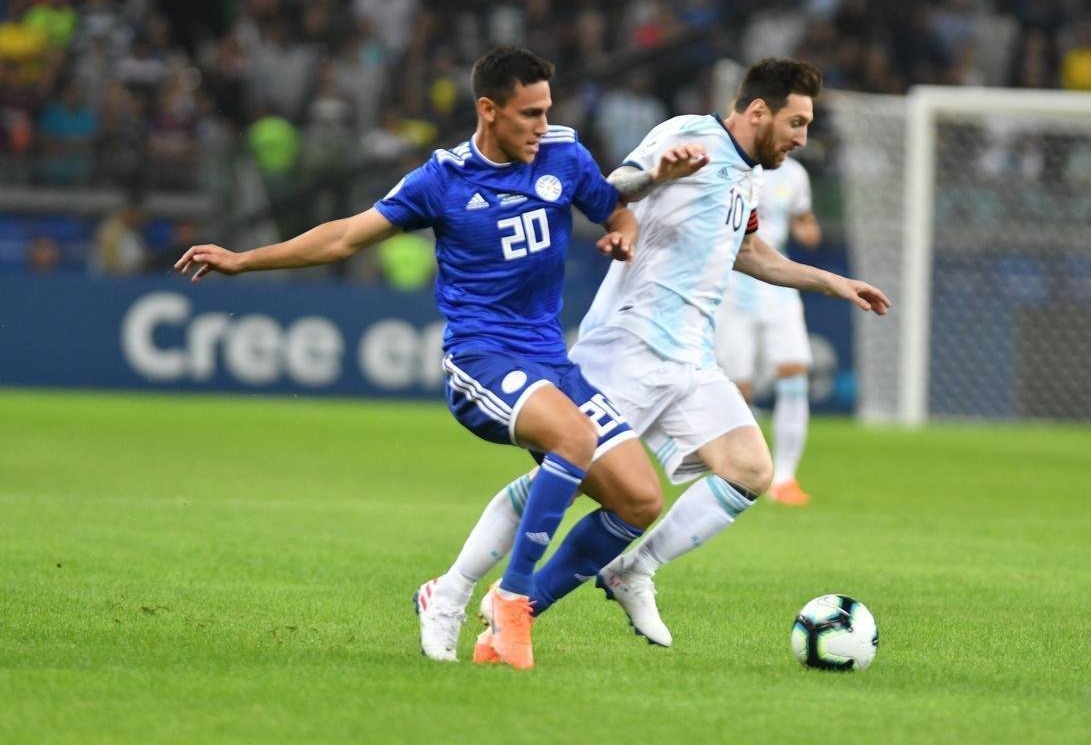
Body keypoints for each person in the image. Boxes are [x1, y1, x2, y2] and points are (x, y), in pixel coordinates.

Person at [175, 46, 706, 670]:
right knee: (573, 437)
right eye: (528, 114)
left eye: (546, 111)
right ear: (488, 110)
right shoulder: (443, 179)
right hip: (480, 356)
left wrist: (624, 232)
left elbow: (613, 208)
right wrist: (244, 259)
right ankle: (511, 600)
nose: (542, 125)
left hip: (549, 360)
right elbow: (346, 235)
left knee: (639, 500)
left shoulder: (564, 153)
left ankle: (447, 592)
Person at [433, 58, 889, 654]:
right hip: (628, 346)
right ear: (758, 112)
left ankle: (629, 571)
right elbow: (606, 190)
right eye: (796, 122)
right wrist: (659, 176)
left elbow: (750, 252)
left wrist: (834, 282)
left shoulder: (746, 174)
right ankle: (453, 588)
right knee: (561, 484)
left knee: (751, 471)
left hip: (689, 358)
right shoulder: (687, 135)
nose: (802, 138)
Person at [713, 154, 821, 506]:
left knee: (794, 372)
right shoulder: (729, 165)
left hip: (779, 286)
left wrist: (807, 231)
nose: (797, 138)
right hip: (733, 288)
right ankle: (740, 469)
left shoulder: (795, 174)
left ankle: (786, 477)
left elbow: (804, 220)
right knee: (738, 387)